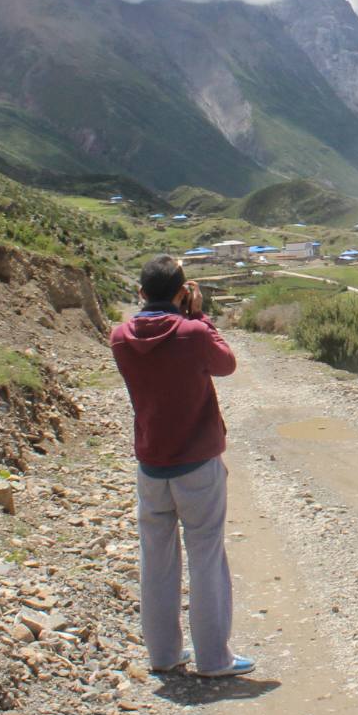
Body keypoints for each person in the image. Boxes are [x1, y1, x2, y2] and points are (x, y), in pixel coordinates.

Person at [109, 254, 253, 678]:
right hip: (197, 464)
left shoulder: (120, 337)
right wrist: (200, 315)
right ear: (181, 290)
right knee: (206, 555)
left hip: (151, 463)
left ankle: (164, 655)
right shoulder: (193, 332)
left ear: (139, 293)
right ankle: (214, 659)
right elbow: (225, 363)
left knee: (156, 559)